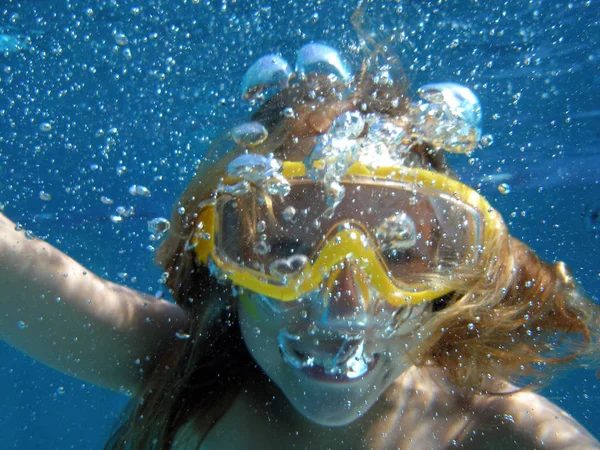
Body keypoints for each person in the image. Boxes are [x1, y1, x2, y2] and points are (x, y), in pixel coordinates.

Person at [2, 37, 600, 449]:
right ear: (229, 267)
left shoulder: (501, 434)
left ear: (452, 278)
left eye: (396, 255)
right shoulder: (184, 368)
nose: (344, 305)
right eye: (288, 251)